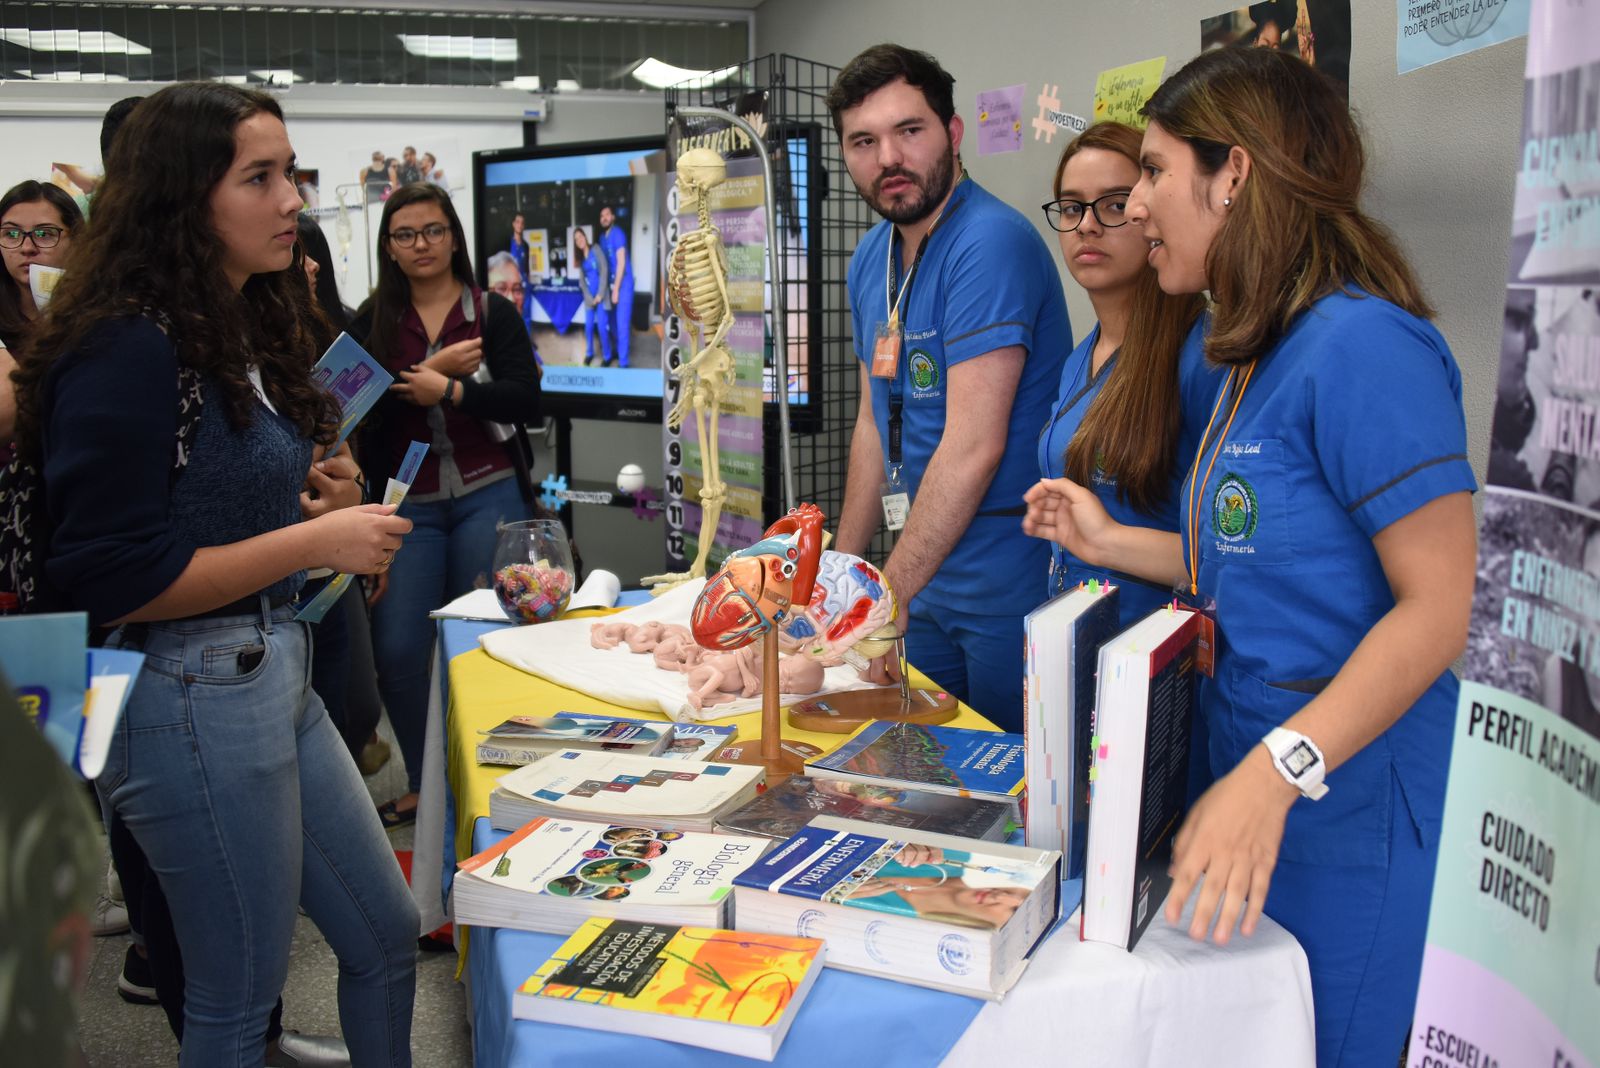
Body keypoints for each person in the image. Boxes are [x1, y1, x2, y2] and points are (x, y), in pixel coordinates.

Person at [1022, 47, 1476, 1066]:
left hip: (1341, 799)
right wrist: (1109, 540)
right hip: (1241, 778)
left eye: (1150, 173)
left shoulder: (1362, 348)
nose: (1135, 206)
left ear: (1233, 175)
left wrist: (1280, 772)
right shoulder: (1234, 359)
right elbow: (1259, 554)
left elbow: (1442, 606)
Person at [13, 81, 420, 1066]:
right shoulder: (125, 345)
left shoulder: (233, 320)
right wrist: (316, 543)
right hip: (184, 690)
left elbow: (204, 499)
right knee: (235, 1004)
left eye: (290, 173)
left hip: (271, 665)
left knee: (385, 938)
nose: (293, 199)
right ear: (186, 196)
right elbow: (113, 571)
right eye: (261, 177)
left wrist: (311, 496)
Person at [827, 43, 1071, 731]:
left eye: (910, 131)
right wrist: (843, 578)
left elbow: (972, 447)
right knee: (930, 773)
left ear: (953, 133)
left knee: (1009, 787)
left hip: (1004, 569)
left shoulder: (989, 243)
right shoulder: (871, 258)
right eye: (864, 142)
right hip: (923, 563)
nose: (889, 160)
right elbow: (876, 421)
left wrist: (886, 594)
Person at [351, 183, 540, 828]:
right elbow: (353, 414)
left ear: (454, 236)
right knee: (400, 650)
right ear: (390, 248)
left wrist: (453, 391)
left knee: (488, 643)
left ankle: (498, 781)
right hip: (407, 506)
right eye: (405, 235)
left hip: (490, 492)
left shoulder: (492, 312)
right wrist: (426, 376)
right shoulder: (372, 321)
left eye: (432, 230)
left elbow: (525, 400)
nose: (421, 244)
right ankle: (431, 785)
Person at [1034, 123, 1212, 626]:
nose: (1087, 226)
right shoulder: (1079, 359)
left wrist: (1107, 540)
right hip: (1076, 636)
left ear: (1149, 209)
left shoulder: (1202, 355)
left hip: (1156, 657)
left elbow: (1231, 558)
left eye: (1113, 205)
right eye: (1072, 208)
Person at [0, 181, 84, 445]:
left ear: (77, 240)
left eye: (45, 233)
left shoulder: (97, 315)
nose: (27, 247)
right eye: (11, 235)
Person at [598, 204, 633, 367]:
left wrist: (616, 289)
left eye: (607, 214)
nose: (604, 217)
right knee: (611, 323)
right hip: (611, 284)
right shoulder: (602, 238)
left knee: (621, 325)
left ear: (613, 217)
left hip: (623, 283)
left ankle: (623, 363)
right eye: (602, 216)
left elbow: (621, 263)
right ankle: (619, 351)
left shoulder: (617, 233)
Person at [572, 226, 611, 366]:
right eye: (576, 239)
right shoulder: (581, 258)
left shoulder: (596, 249)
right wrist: (589, 298)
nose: (579, 240)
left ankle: (607, 355)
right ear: (576, 243)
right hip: (589, 299)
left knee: (601, 327)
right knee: (588, 327)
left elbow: (605, 270)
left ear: (585, 236)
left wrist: (600, 295)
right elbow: (582, 281)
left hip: (601, 297)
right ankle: (589, 353)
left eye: (580, 236)